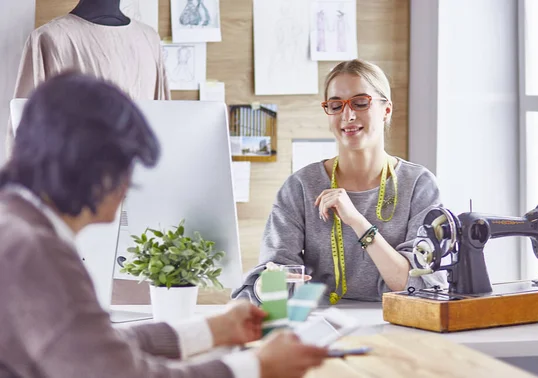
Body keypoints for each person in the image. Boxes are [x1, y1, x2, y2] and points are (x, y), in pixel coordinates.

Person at [0, 72, 327, 378]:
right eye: (128, 165)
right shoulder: (34, 249)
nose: (130, 184)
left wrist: (213, 329)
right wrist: (256, 366)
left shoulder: (16, 225)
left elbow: (92, 342)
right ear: (94, 165)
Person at [232, 59, 447, 305]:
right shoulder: (301, 186)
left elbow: (415, 285)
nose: (348, 115)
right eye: (336, 105)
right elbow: (270, 287)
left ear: (386, 110)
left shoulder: (419, 185)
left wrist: (356, 221)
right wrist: (267, 284)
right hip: (320, 326)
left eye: (360, 102)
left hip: (400, 324)